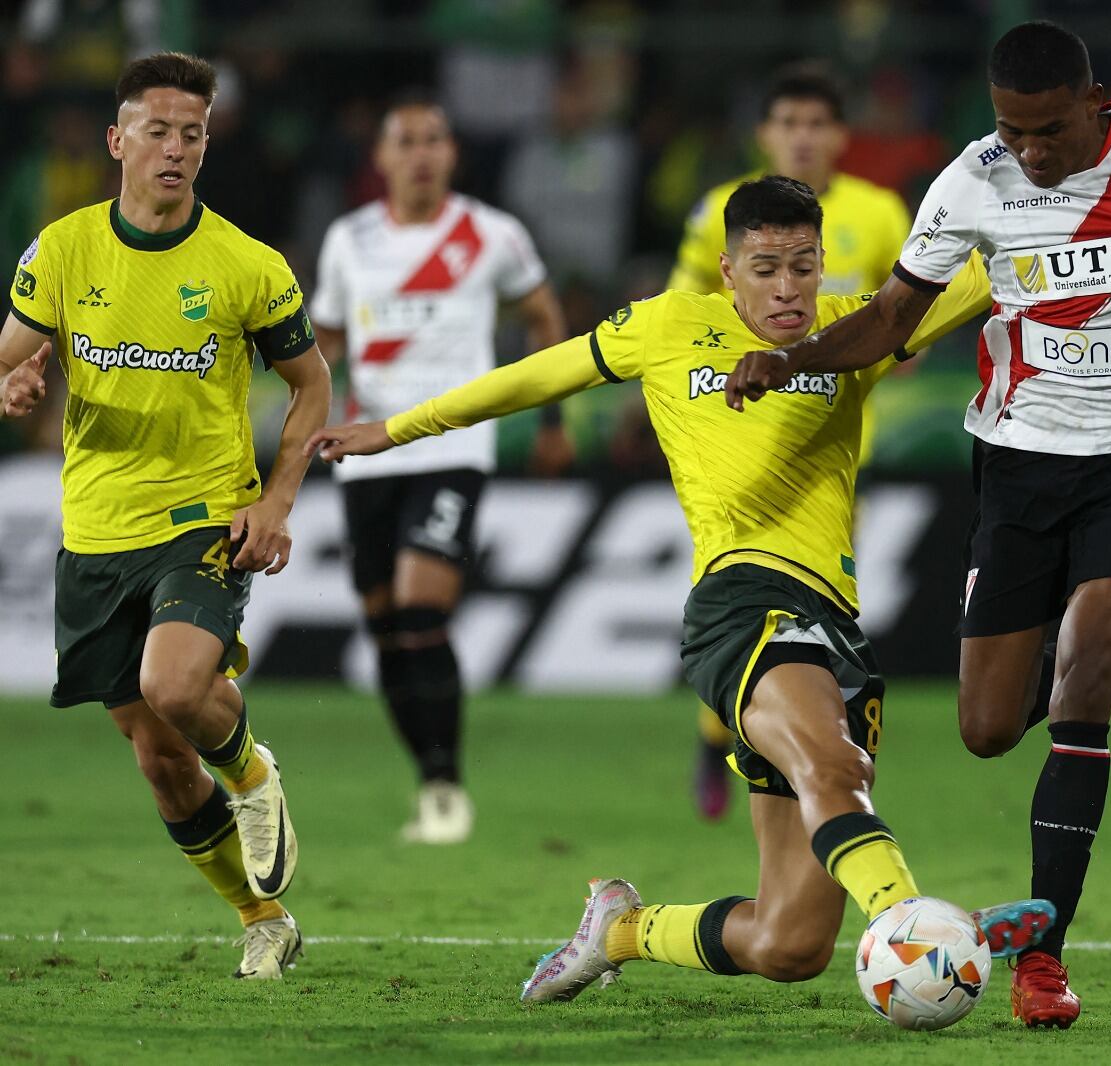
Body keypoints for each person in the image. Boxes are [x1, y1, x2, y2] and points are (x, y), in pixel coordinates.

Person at [306, 176, 1055, 1007]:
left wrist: (1069, 188)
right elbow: (532, 377)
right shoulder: (666, 326)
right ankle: (919, 925)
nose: (787, 289)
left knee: (791, 942)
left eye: (804, 267)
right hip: (740, 604)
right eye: (766, 267)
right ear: (728, 270)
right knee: (833, 768)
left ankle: (621, 929)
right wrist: (397, 428)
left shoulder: (857, 330)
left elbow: (1007, 262)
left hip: (837, 624)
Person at [723, 22, 1111, 1028]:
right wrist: (791, 359)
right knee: (984, 728)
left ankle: (1043, 954)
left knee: (1079, 681)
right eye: (1010, 130)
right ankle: (1093, 651)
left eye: (1048, 131)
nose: (1028, 150)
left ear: (1094, 102)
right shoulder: (972, 180)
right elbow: (894, 317)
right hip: (1019, 461)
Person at [0, 53, 332, 979]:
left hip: (202, 520)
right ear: (118, 141)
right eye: (157, 130)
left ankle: (257, 775)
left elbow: (312, 386)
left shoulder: (245, 266)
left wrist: (276, 500)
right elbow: (10, 355)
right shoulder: (61, 250)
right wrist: (17, 377)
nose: (175, 148)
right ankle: (262, 916)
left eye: (192, 133)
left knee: (179, 689)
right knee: (157, 759)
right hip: (96, 533)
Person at [308, 92, 567, 845]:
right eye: (406, 140)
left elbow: (544, 319)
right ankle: (430, 779)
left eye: (433, 139)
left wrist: (551, 421)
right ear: (382, 157)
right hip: (363, 449)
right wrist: (303, 417)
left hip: (452, 448)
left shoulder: (492, 235)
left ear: (451, 153)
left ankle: (448, 784)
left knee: (424, 609)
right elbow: (322, 340)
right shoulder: (349, 240)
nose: (421, 153)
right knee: (385, 622)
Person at [668, 64, 914, 821]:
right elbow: (683, 312)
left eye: (817, 124)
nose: (802, 138)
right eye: (789, 124)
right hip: (734, 443)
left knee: (818, 612)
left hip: (831, 452)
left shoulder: (876, 214)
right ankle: (727, 745)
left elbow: (909, 310)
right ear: (765, 133)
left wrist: (875, 355)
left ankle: (799, 757)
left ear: (840, 135)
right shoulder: (723, 211)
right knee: (741, 605)